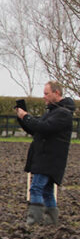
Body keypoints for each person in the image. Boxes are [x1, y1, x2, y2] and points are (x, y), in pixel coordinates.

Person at [16, 81, 76, 226]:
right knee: (47, 191)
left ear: (57, 93)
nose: (44, 97)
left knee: (36, 187)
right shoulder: (53, 111)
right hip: (46, 158)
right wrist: (23, 118)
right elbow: (36, 129)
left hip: (49, 159)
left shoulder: (63, 113)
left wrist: (26, 117)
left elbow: (44, 127)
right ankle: (51, 223)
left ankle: (33, 222)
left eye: (46, 93)